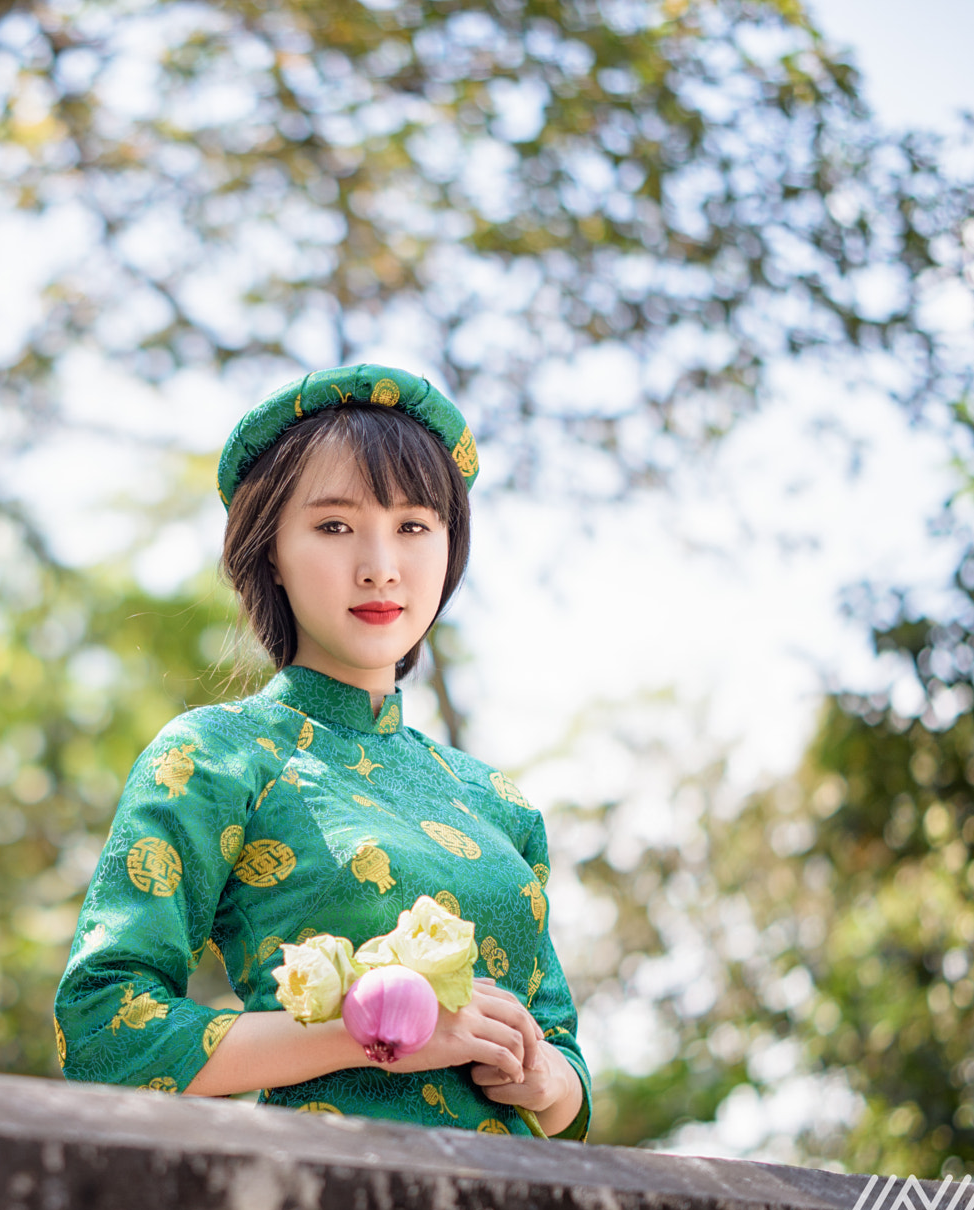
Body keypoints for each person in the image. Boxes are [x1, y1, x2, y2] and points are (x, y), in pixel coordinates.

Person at [52, 363, 589, 1138]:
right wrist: (375, 1033)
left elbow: (568, 1076)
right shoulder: (216, 756)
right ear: (271, 550)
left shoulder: (499, 802)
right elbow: (104, 1029)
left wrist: (539, 1073)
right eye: (335, 526)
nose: (380, 565)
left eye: (413, 526)